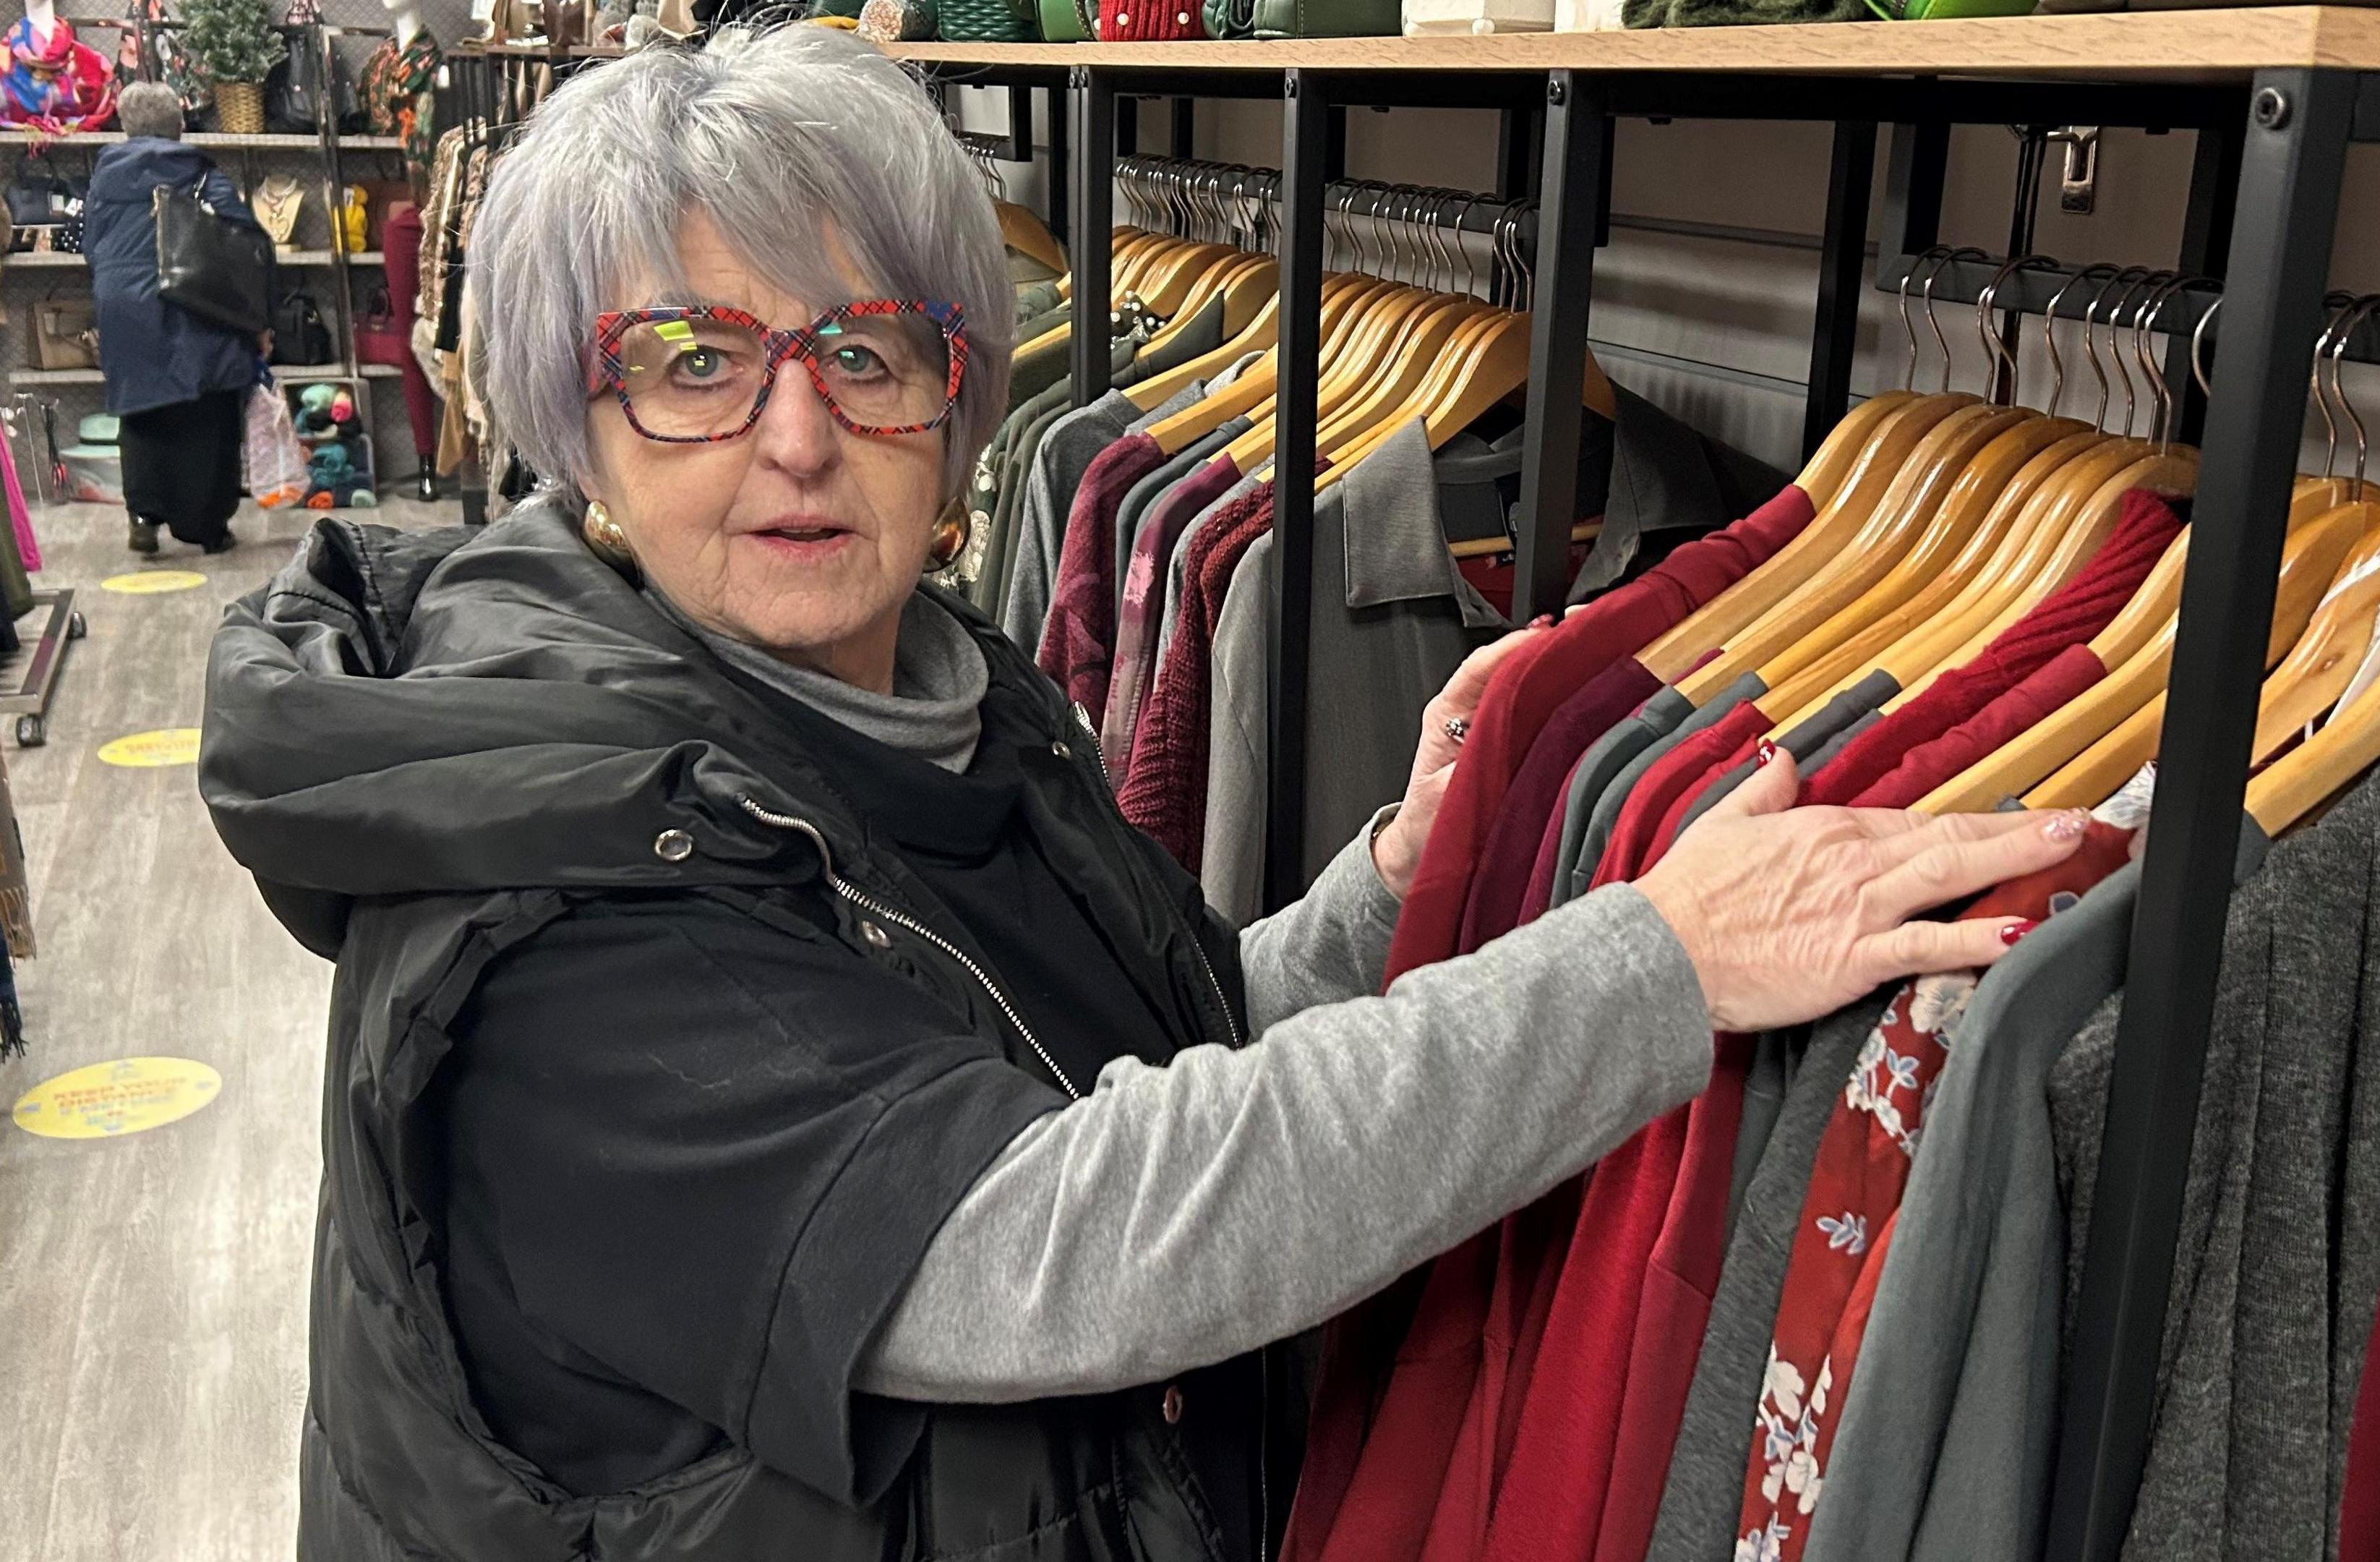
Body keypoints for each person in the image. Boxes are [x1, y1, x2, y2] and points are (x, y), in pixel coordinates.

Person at [199, 25, 2089, 1562]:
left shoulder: (930, 702)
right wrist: (1652, 964)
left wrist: (1390, 881)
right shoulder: (559, 895)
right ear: (573, 420)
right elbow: (1056, 1237)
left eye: (865, 349)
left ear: (958, 395)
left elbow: (1132, 1055)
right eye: (693, 361)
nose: (796, 432)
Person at [83, 80, 263, 557]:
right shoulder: (198, 173)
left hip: (122, 306)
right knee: (207, 410)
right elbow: (245, 240)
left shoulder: (103, 178)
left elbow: (91, 248)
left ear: (126, 127)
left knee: (140, 411)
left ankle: (144, 513)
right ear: (180, 126)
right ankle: (205, 526)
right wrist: (260, 317)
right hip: (192, 302)